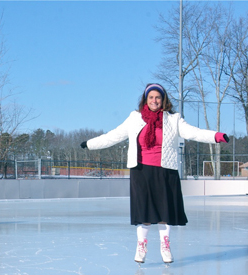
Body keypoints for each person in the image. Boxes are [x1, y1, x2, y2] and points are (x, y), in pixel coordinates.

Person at [80, 83, 229, 264]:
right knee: (144, 210)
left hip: (165, 170)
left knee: (164, 212)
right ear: (145, 99)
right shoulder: (135, 118)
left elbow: (192, 132)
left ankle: (165, 246)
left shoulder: (172, 119)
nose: (154, 100)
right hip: (141, 170)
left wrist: (215, 136)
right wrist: (90, 144)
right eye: (151, 97)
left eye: (157, 97)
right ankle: (141, 246)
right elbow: (114, 135)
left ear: (163, 99)